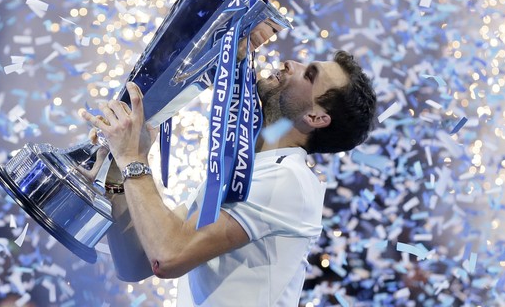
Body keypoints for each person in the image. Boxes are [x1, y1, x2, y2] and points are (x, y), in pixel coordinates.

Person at [80, 43, 376, 305]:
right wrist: (118, 170)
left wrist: (132, 157)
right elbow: (138, 262)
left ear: (315, 117)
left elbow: (167, 256)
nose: (291, 63)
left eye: (309, 75)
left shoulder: (289, 181)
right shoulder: (244, 167)